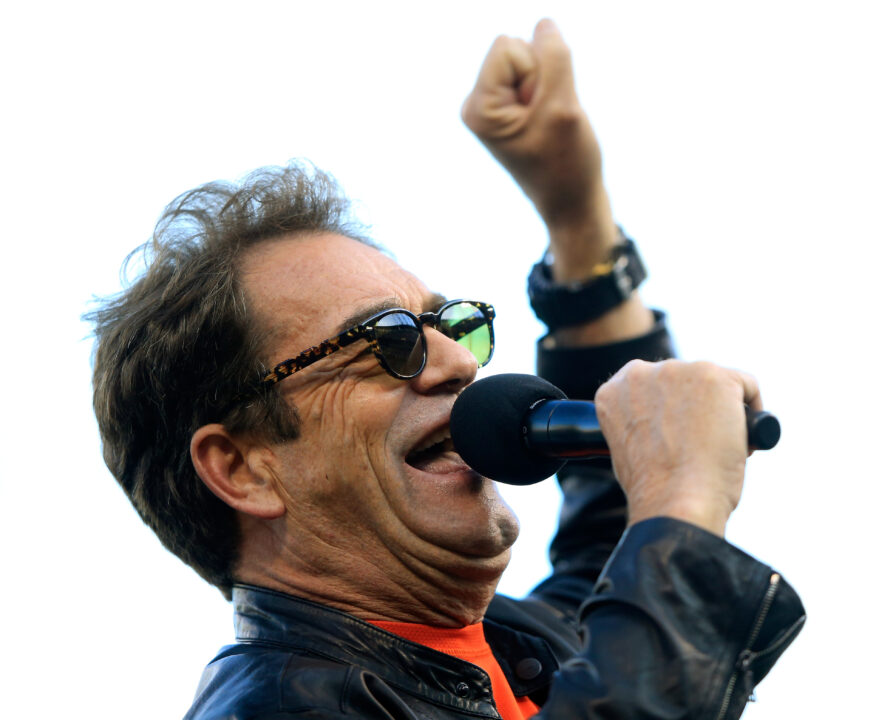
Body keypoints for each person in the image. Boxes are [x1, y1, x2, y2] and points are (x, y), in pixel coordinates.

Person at [87, 19, 805, 720]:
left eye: (450, 323)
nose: (459, 361)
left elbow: (612, 551)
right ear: (244, 468)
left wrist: (576, 215)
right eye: (388, 340)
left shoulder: (519, 651)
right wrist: (682, 506)